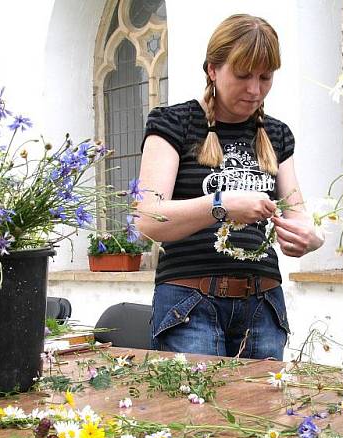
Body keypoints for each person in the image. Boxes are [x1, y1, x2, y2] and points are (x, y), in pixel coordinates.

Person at [135, 13, 323, 360]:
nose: (255, 90)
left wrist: (311, 239)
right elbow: (147, 218)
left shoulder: (278, 135)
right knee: (198, 415)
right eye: (242, 75)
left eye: (265, 77)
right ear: (212, 69)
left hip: (263, 306)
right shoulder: (173, 123)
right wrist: (219, 205)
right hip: (189, 304)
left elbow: (299, 217)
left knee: (262, 414)